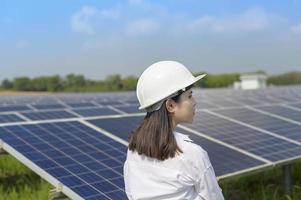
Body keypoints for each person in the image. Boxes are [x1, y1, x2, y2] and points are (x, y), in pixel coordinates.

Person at [123, 61, 224, 200]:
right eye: (189, 96)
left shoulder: (133, 148)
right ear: (170, 105)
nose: (194, 102)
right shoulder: (192, 154)